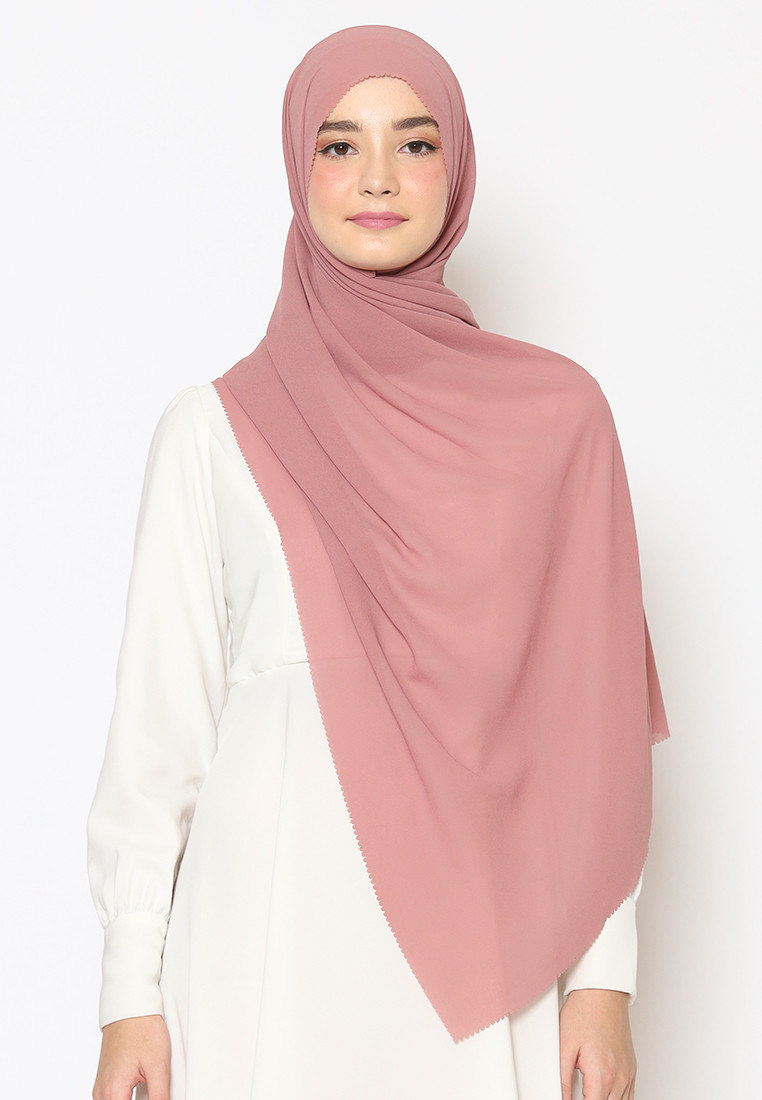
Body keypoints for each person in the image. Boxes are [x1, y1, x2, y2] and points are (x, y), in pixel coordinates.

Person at [88, 24, 668, 1100]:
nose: (379, 179)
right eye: (339, 145)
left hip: (483, 932)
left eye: (415, 143)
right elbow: (159, 733)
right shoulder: (211, 428)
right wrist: (130, 993)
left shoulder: (557, 420)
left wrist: (604, 979)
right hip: (261, 928)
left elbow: (592, 724)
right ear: (296, 165)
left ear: (458, 166)